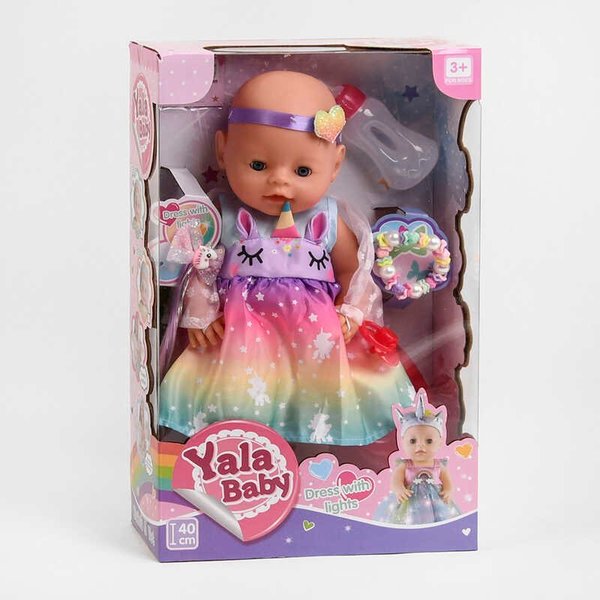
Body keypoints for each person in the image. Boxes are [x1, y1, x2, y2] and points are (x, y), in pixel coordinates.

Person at [159, 71, 415, 463]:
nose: (280, 182)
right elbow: (201, 266)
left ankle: (313, 466)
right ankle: (243, 463)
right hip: (242, 337)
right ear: (223, 151)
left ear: (335, 164)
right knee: (242, 401)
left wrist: (352, 310)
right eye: (258, 164)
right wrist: (200, 313)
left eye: (302, 171)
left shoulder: (330, 218)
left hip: (316, 341)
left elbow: (353, 270)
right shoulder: (223, 215)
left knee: (316, 404)